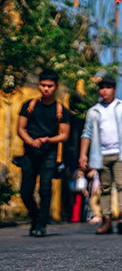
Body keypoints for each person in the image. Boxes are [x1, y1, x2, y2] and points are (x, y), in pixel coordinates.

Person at [79, 76, 122, 234]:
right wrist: (83, 155)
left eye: (108, 87)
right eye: (102, 87)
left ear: (114, 89)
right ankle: (106, 220)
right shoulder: (93, 111)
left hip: (121, 153)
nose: (104, 91)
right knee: (104, 188)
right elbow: (87, 133)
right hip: (100, 154)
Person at [16, 69, 72, 237]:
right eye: (43, 85)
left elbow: (64, 134)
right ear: (38, 85)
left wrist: (48, 139)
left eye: (49, 86)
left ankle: (41, 224)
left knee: (45, 189)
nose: (46, 89)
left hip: (49, 154)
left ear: (55, 87)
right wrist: (30, 140)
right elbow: (20, 128)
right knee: (25, 192)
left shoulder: (61, 110)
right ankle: (35, 217)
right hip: (29, 153)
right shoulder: (29, 106)